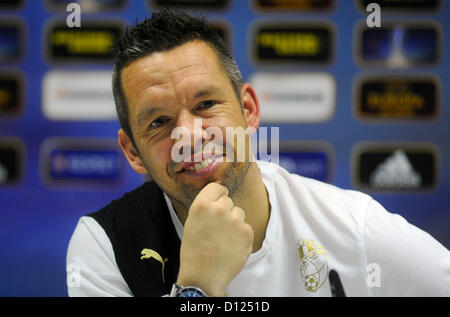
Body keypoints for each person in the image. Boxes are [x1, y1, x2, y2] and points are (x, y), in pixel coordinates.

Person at [66, 9, 450, 297]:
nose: (189, 134)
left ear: (248, 110)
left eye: (205, 104)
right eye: (159, 122)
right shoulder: (107, 245)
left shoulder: (353, 227)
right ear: (132, 151)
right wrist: (197, 286)